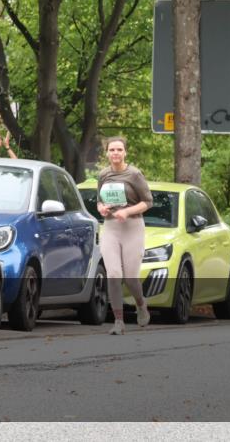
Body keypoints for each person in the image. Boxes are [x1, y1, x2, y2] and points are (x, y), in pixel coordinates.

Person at [96, 136, 153, 335]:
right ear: (107, 153)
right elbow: (99, 200)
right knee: (113, 274)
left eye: (119, 150)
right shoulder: (103, 174)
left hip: (132, 227)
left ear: (125, 152)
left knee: (130, 278)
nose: (115, 153)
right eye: (112, 150)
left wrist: (127, 211)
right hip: (111, 227)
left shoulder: (134, 174)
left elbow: (148, 201)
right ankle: (118, 321)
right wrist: (101, 208)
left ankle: (141, 304)